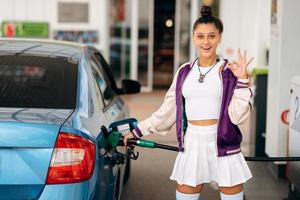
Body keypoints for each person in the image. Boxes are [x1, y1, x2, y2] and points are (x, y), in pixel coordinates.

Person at [124, 5, 254, 200]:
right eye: (200, 36)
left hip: (223, 145)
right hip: (193, 142)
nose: (206, 41)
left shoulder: (229, 72)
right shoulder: (185, 71)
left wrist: (243, 81)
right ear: (194, 38)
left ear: (219, 37)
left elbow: (238, 116)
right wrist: (138, 130)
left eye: (211, 36)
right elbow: (167, 111)